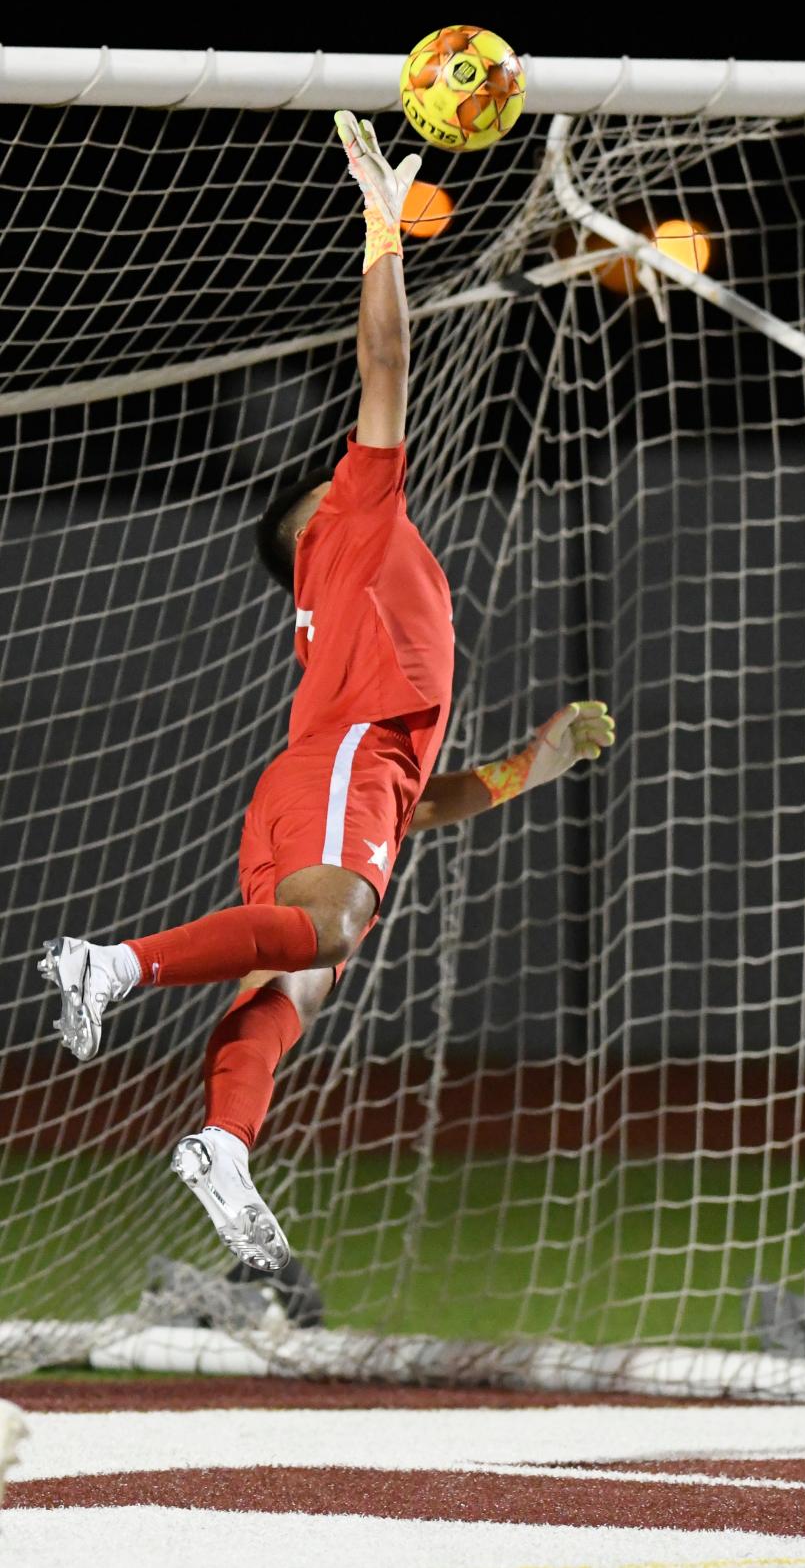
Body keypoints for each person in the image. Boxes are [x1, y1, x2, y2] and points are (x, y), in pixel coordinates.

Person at [38, 112, 615, 1272]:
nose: (345, 466)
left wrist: (523, 768)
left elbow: (412, 798)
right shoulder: (351, 516)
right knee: (334, 928)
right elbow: (387, 364)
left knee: (294, 978)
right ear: (311, 520)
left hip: (337, 777)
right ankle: (110, 964)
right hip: (336, 764)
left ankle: (222, 1142)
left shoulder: (346, 594)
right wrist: (382, 230)